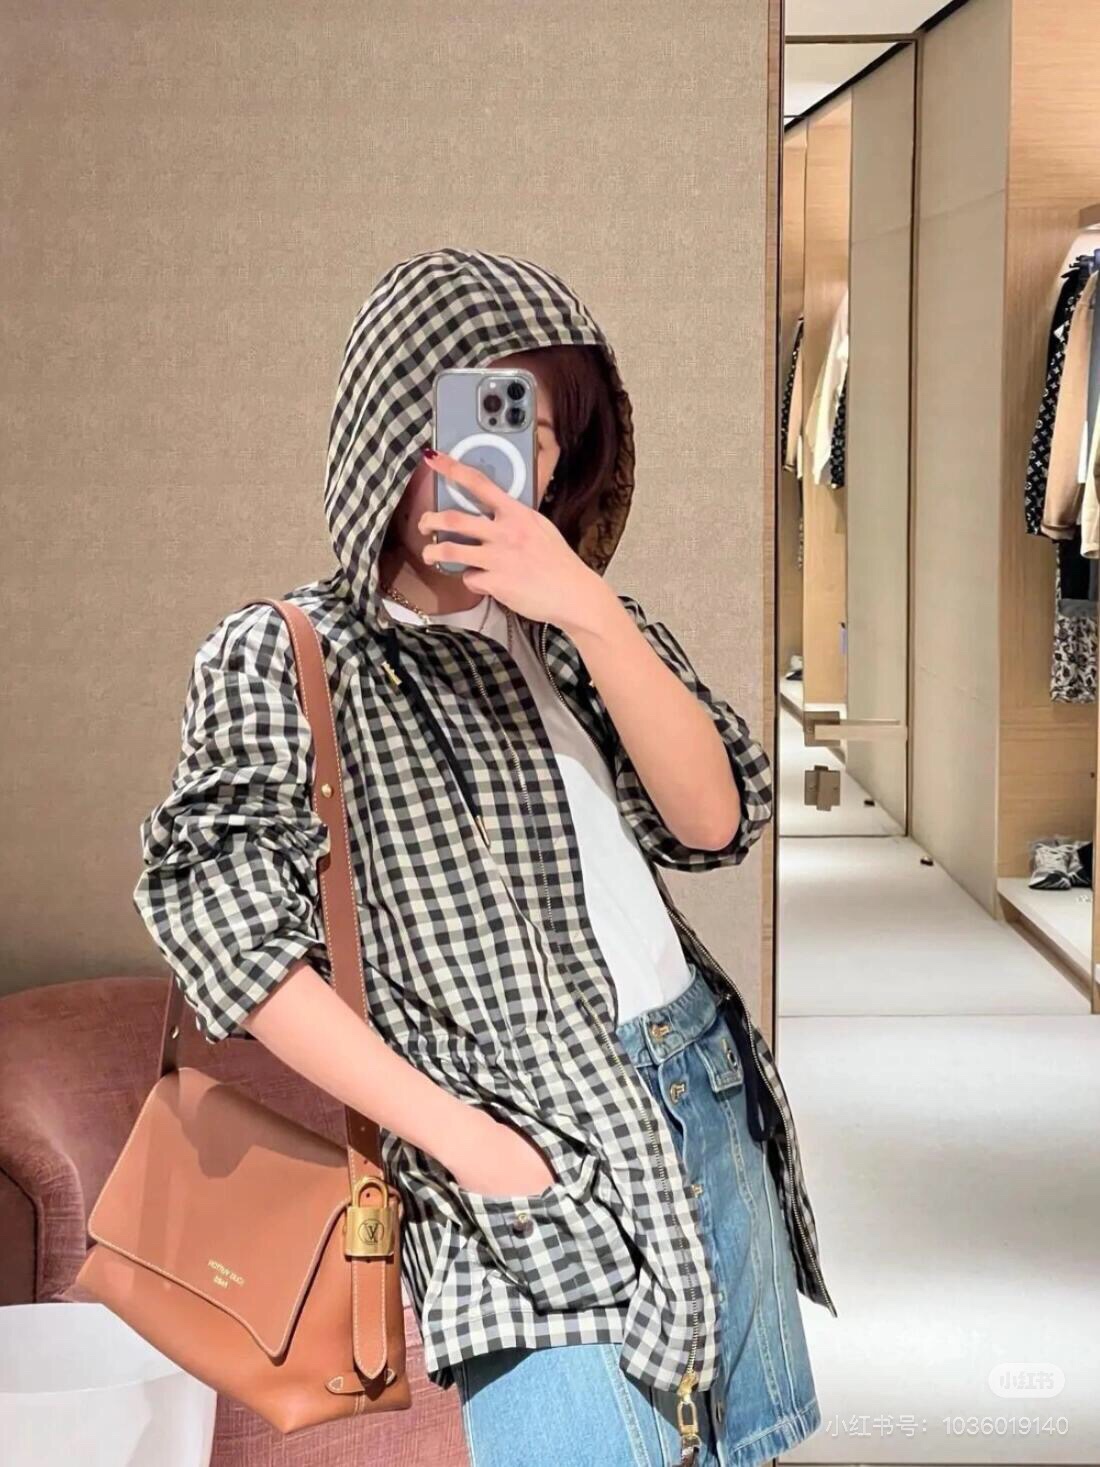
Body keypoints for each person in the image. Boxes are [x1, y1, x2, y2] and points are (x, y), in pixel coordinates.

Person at [133, 247, 834, 1467]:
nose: (505, 459)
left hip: (700, 1095)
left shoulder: (581, 630)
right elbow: (228, 935)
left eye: (537, 432)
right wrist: (467, 1145)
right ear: (385, 430)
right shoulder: (283, 654)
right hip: (514, 1143)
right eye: (469, 417)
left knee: (741, 1451)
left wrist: (591, 612)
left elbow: (713, 822)